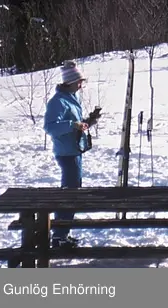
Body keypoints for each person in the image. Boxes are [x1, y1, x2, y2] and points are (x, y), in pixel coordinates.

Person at [43, 61, 101, 249]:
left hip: (74, 151)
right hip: (66, 153)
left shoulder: (70, 98)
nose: (81, 85)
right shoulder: (58, 101)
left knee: (71, 193)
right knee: (70, 195)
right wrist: (73, 125)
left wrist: (89, 121)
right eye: (79, 82)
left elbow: (74, 124)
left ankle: (62, 234)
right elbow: (50, 127)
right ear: (71, 82)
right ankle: (59, 236)